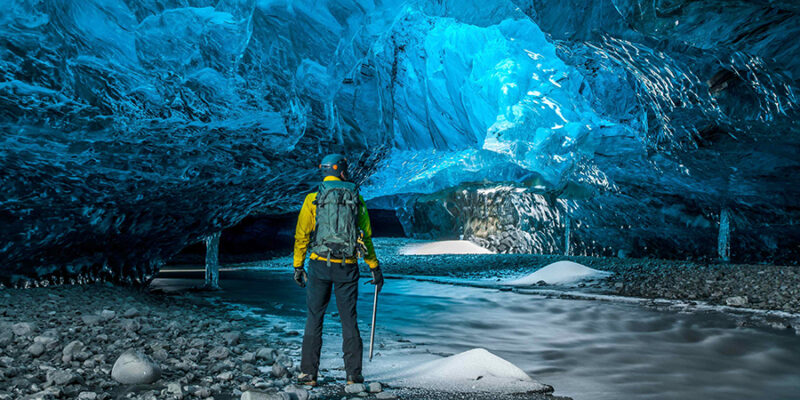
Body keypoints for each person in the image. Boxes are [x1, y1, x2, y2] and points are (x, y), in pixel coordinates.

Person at [292, 153, 384, 387]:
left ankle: (308, 374)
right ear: (342, 171)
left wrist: (297, 266)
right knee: (349, 320)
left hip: (319, 264)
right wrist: (374, 267)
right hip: (348, 266)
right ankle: (353, 376)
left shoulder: (313, 198)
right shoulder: (356, 198)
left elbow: (302, 235)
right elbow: (366, 237)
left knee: (314, 318)